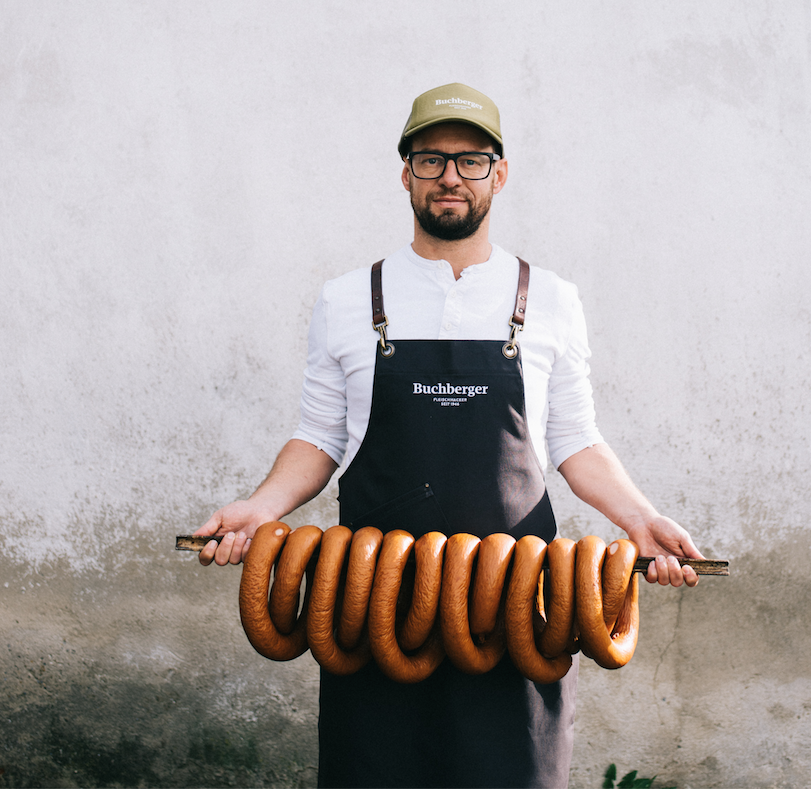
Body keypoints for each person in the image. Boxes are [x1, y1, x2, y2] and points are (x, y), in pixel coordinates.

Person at [195, 82, 705, 789]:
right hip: (371, 610)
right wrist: (261, 508)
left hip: (512, 617)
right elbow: (318, 436)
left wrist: (640, 518)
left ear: (499, 174)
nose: (449, 177)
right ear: (405, 173)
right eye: (431, 159)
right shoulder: (348, 298)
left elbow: (574, 440)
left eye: (470, 160)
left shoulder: (550, 298)